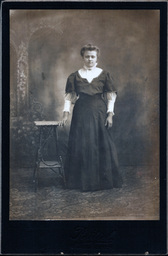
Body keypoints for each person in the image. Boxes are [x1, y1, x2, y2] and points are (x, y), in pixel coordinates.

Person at [61, 44, 123, 192]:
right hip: (81, 112)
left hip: (99, 112)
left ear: (97, 58)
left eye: (92, 56)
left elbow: (110, 97)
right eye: (87, 56)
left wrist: (110, 114)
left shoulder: (104, 74)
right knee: (81, 143)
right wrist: (65, 113)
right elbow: (69, 98)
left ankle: (102, 181)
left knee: (100, 143)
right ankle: (79, 181)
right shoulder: (74, 76)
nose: (90, 59)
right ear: (83, 57)